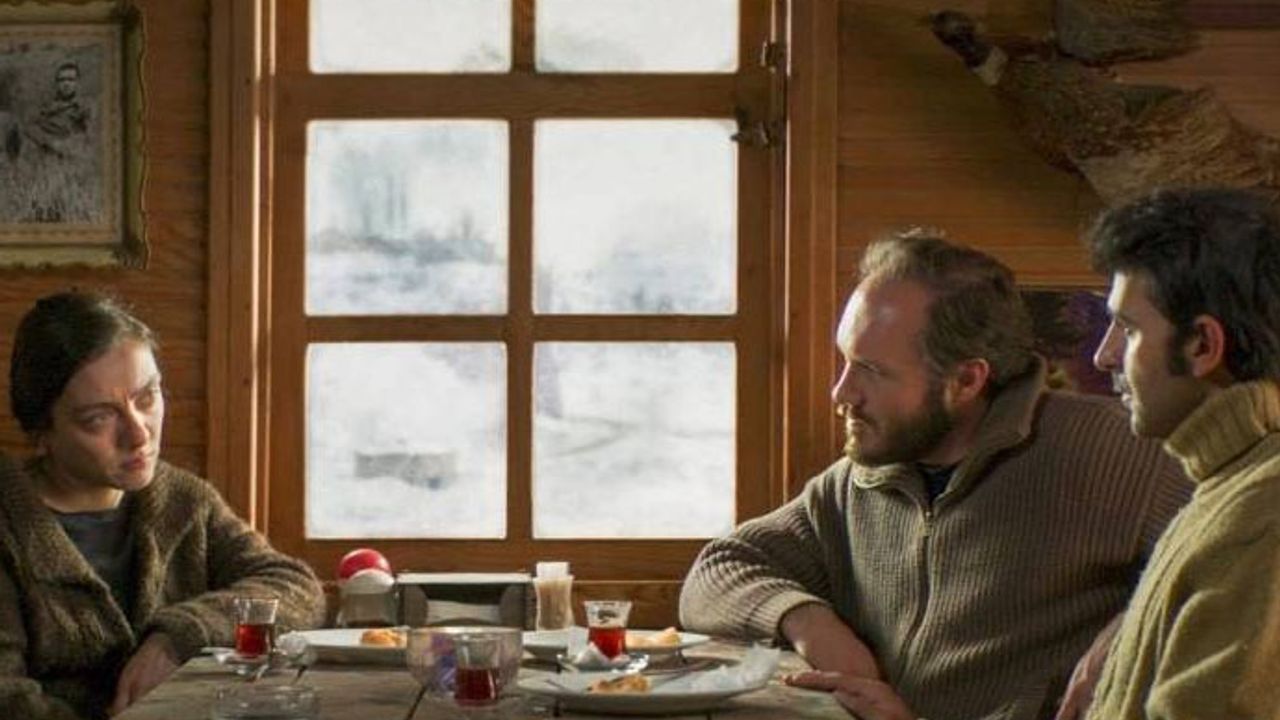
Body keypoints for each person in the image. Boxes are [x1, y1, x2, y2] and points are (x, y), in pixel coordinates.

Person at [679, 232, 1191, 720]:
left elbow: (1228, 572)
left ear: (966, 380)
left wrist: (1127, 633)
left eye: (872, 371)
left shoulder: (1119, 452)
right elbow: (719, 570)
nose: (841, 393)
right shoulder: (861, 479)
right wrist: (808, 622)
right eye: (845, 361)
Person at [0, 291, 325, 719]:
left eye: (147, 397)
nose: (139, 434)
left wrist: (178, 636)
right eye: (99, 418)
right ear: (42, 432)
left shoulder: (183, 502)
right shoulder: (10, 523)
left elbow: (296, 588)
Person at [1080, 187, 1280, 719]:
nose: (1104, 356)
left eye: (1127, 329)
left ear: (1202, 346)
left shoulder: (1262, 514)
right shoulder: (1230, 485)